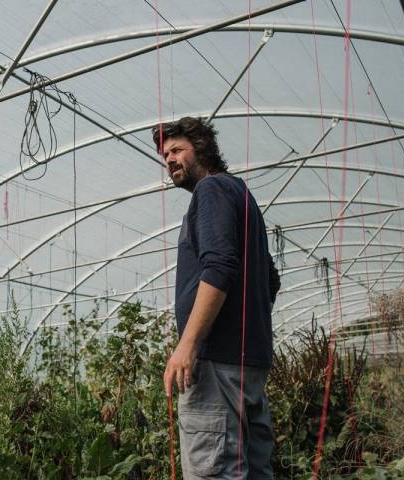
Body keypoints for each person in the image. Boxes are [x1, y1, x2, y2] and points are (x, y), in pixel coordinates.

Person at [153, 117, 280, 479]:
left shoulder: (210, 192)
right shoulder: (242, 196)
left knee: (216, 472)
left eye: (177, 150)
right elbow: (269, 279)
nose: (170, 160)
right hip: (248, 367)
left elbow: (220, 266)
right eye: (165, 155)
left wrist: (188, 343)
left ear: (203, 149)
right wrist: (244, 326)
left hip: (216, 368)